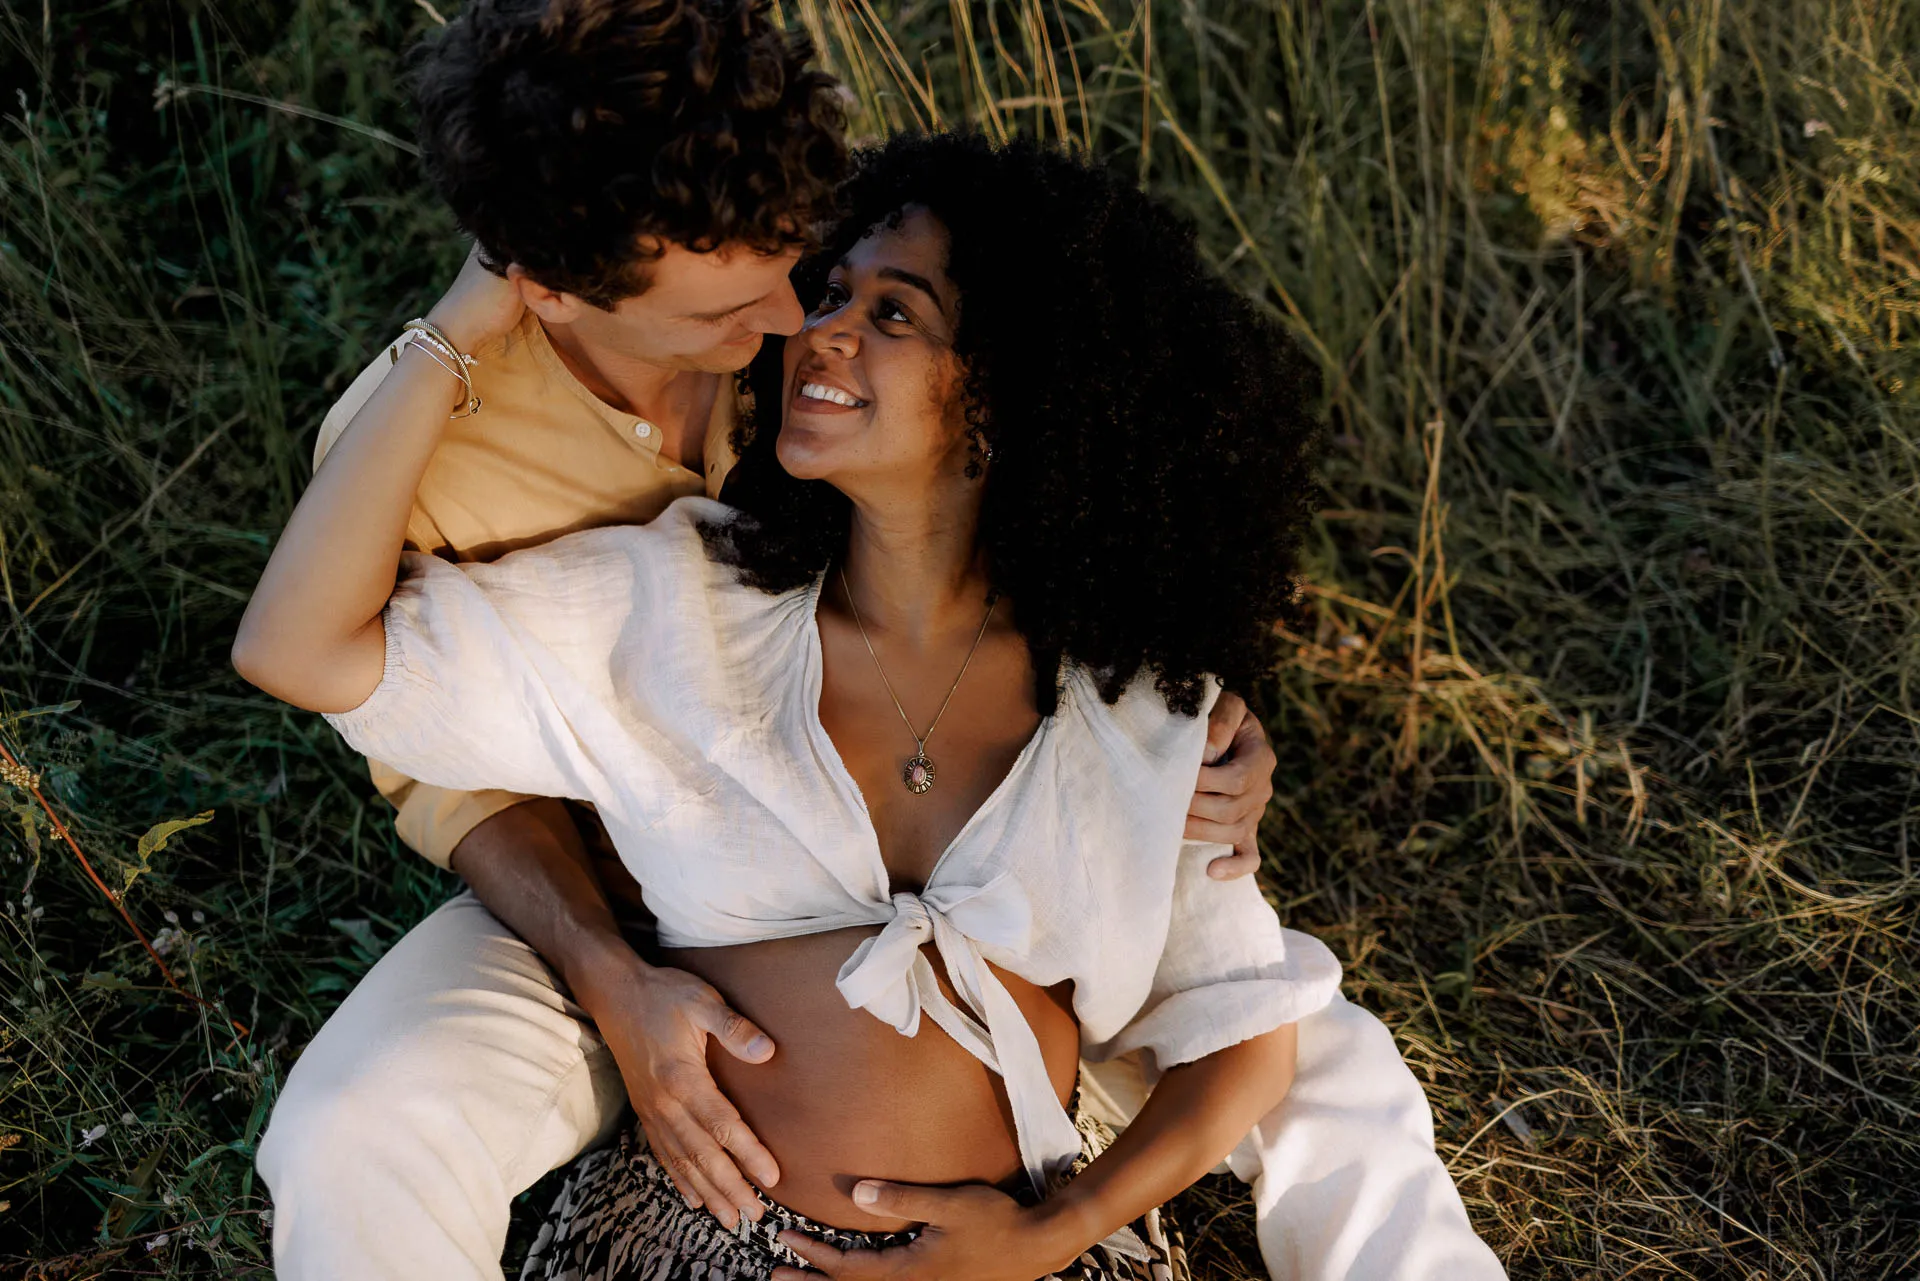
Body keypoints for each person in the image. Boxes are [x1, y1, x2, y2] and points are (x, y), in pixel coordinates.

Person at [236, 129, 1507, 1281]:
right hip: (681, 1160)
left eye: (889, 311)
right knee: (361, 1126)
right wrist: (464, 319)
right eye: (831, 293)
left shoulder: (1133, 701)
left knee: (1336, 1066)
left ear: (1019, 394)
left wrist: (1054, 1233)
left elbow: (1241, 1023)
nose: (816, 327)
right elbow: (301, 649)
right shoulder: (677, 605)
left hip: (1033, 1238)